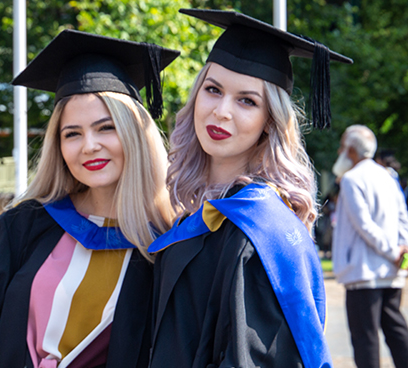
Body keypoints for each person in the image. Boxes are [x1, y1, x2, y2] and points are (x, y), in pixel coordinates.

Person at [0, 29, 179, 368]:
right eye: (73, 134)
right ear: (58, 145)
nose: (89, 146)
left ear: (136, 133)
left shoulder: (173, 243)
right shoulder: (20, 230)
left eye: (106, 127)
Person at [146, 9, 352, 368]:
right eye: (213, 90)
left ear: (269, 123)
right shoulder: (198, 217)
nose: (221, 111)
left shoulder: (258, 231)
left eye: (247, 100)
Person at [331, 125, 408, 368]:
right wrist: (400, 249)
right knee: (396, 331)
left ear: (351, 150)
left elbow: (363, 224)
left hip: (363, 272)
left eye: (343, 145)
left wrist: (391, 250)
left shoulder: (352, 179)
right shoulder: (388, 176)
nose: (339, 150)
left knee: (365, 339)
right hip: (391, 269)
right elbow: (402, 216)